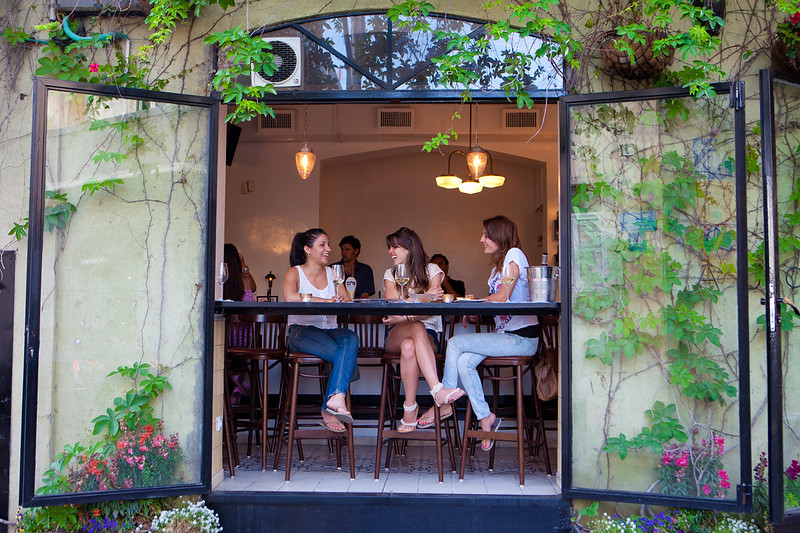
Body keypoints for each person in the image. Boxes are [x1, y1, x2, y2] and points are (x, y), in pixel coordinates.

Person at [418, 216, 539, 449]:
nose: (481, 239)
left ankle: (442, 403)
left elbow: (503, 297)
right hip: (506, 337)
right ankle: (486, 418)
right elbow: (501, 304)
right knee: (464, 362)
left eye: (486, 234)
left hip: (522, 339)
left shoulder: (514, 254)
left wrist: (472, 303)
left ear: (499, 236)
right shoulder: (498, 266)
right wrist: (477, 312)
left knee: (454, 343)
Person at [382, 227, 465, 433]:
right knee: (415, 327)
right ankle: (437, 390)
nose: (390, 251)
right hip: (396, 334)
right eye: (389, 247)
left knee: (410, 344)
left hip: (426, 337)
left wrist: (407, 313)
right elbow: (393, 306)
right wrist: (423, 299)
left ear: (409, 248)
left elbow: (432, 306)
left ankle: (409, 410)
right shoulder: (390, 274)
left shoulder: (432, 271)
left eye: (394, 247)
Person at [283, 228, 360, 433]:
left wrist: (343, 299)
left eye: (328, 244)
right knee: (346, 356)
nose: (329, 249)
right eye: (323, 245)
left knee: (351, 338)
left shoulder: (334, 273)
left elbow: (347, 301)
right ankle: (332, 403)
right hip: (301, 331)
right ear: (308, 249)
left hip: (330, 330)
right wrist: (326, 300)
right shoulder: (295, 272)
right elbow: (291, 297)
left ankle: (332, 402)